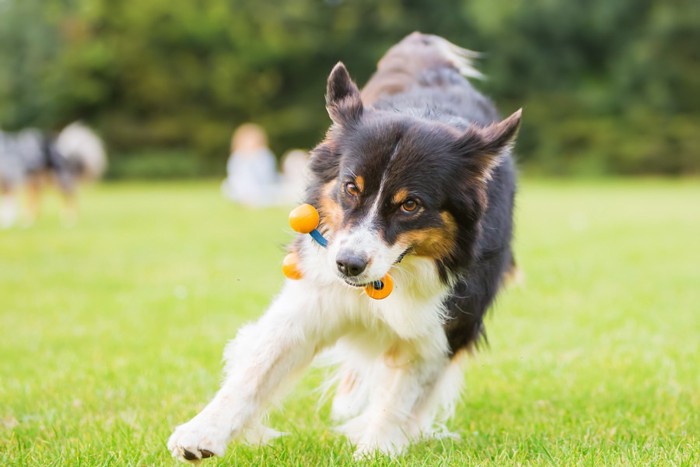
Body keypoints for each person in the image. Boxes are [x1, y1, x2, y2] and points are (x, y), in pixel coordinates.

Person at [221, 123, 278, 207]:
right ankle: (249, 199)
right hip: (243, 186)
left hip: (263, 186)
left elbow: (268, 175)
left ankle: (256, 200)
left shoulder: (265, 155)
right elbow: (235, 175)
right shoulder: (237, 157)